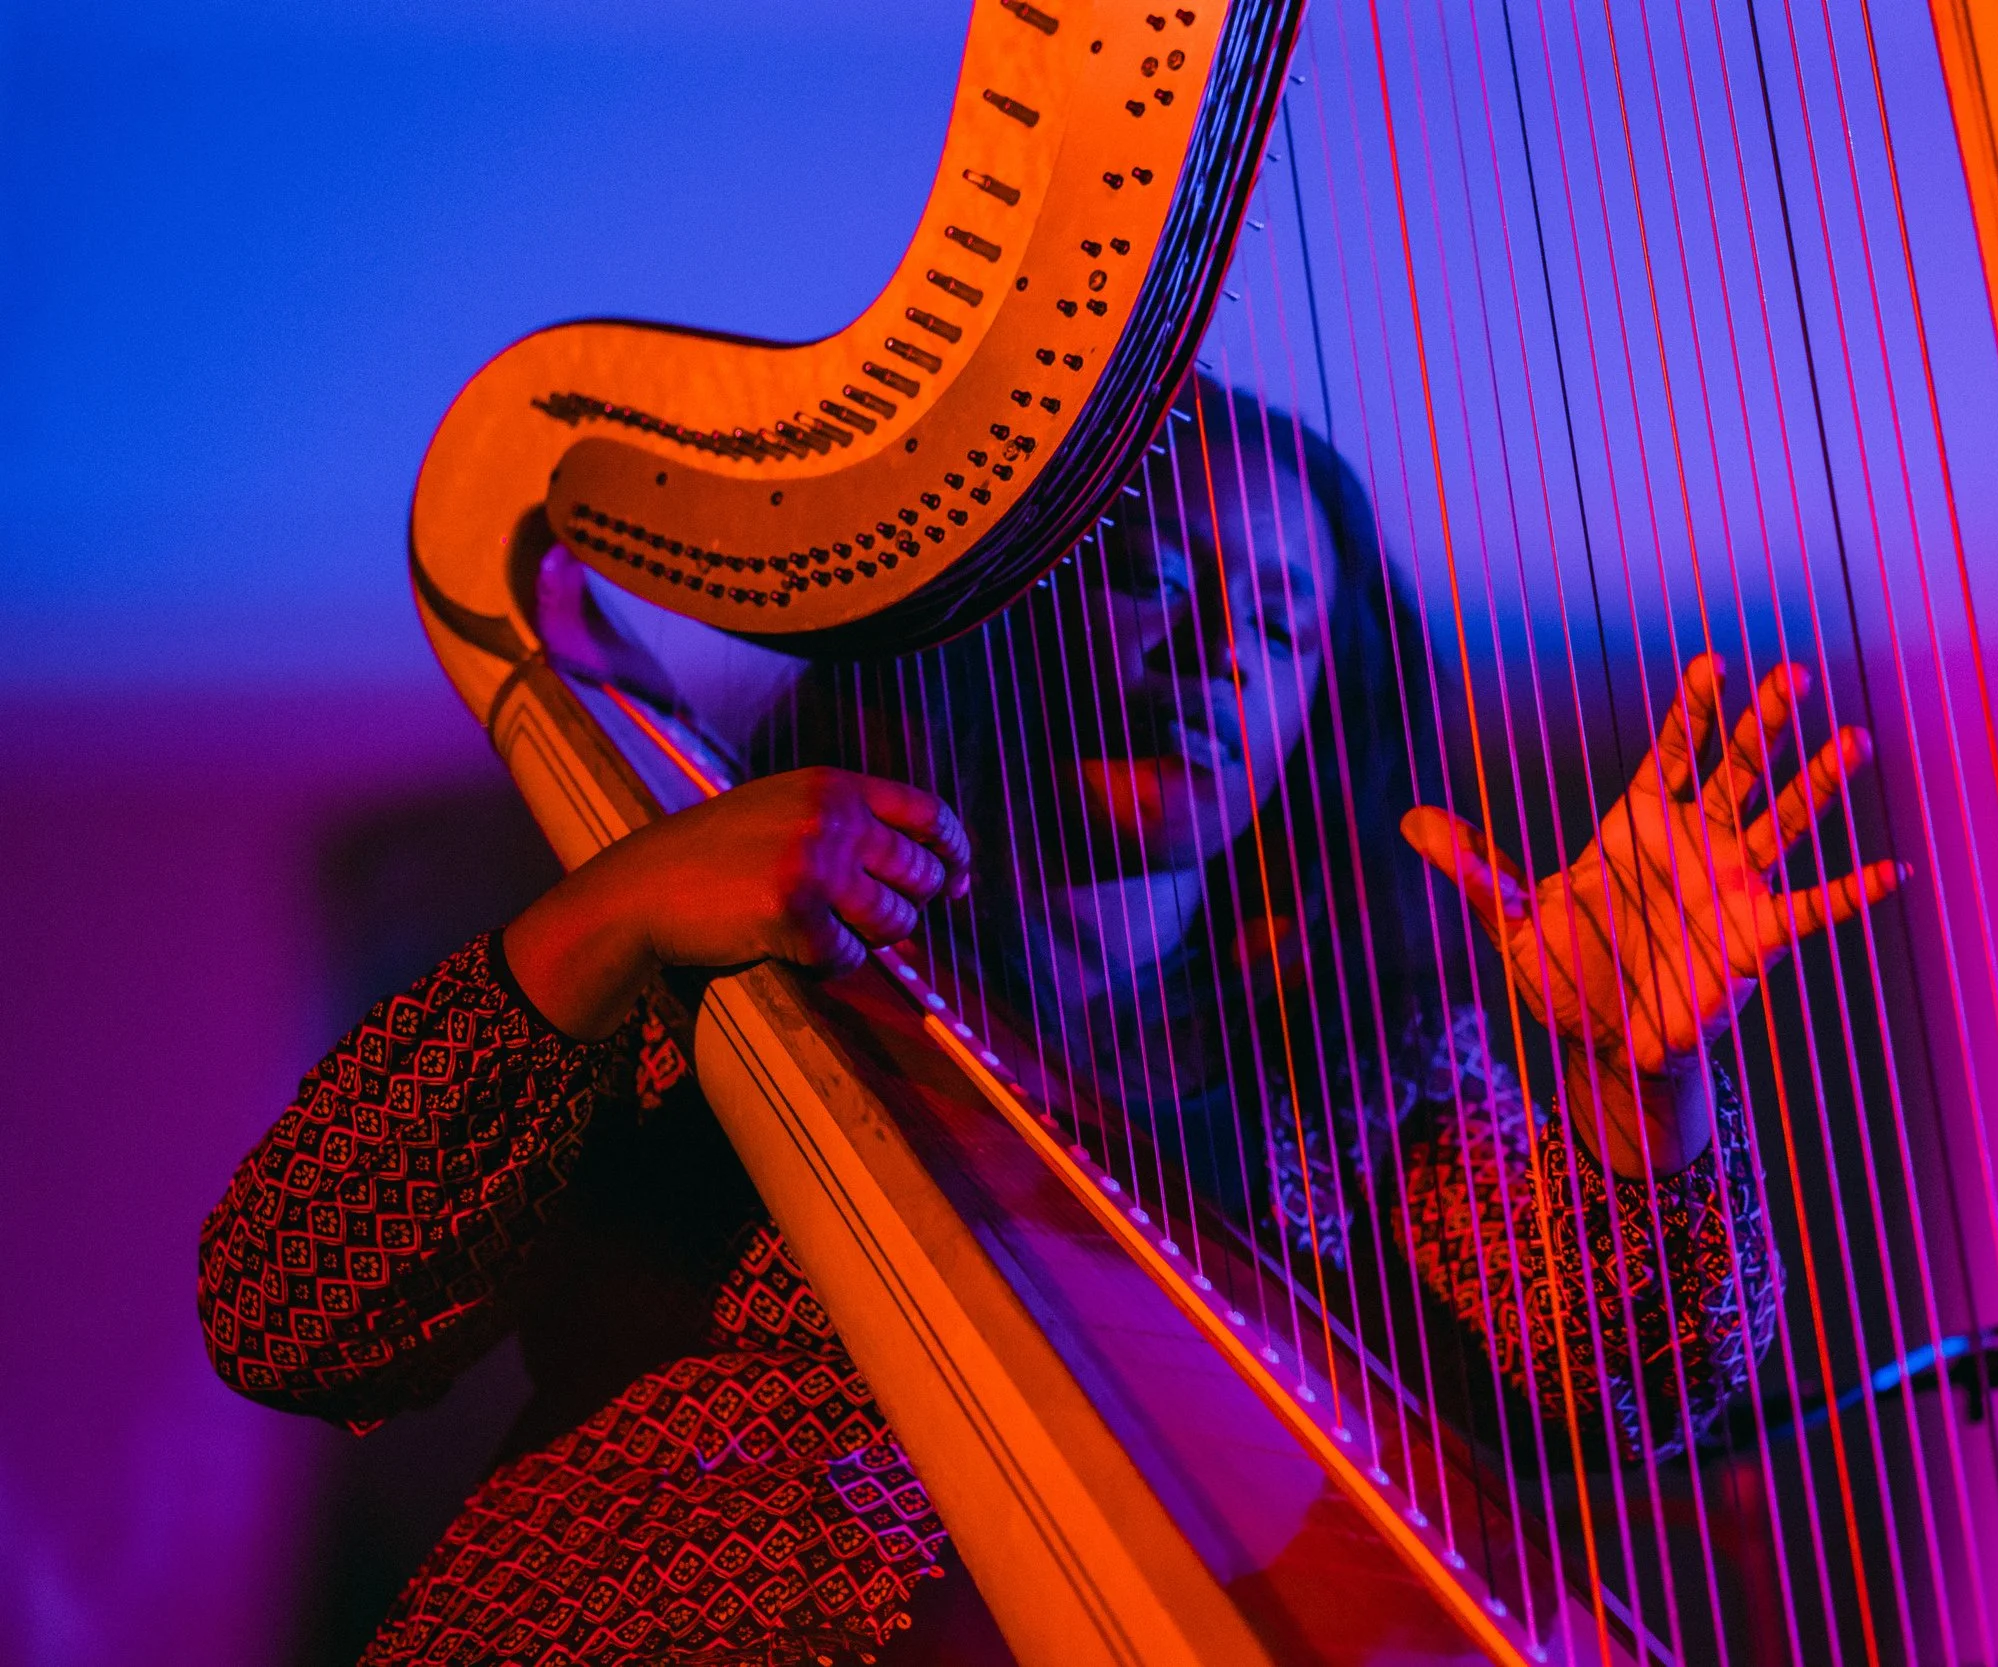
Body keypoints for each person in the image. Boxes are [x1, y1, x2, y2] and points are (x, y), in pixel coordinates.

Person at [197, 384, 1901, 1665]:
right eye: (1158, 576)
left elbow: (1645, 1384)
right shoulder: (718, 952)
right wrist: (610, 911)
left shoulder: (1356, 1059)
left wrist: (1631, 1092)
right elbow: (291, 1305)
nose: (1224, 652)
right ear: (999, 610)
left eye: (1288, 620)